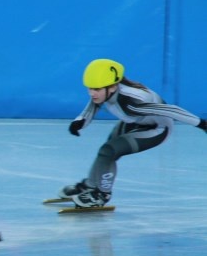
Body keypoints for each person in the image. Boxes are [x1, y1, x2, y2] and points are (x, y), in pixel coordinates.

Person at [60, 58, 207, 208]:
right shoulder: (106, 91)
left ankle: (102, 194)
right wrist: (80, 121)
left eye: (96, 89)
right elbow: (92, 106)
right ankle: (91, 185)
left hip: (157, 129)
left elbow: (170, 110)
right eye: (89, 88)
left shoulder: (130, 103)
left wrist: (202, 124)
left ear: (112, 87)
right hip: (134, 122)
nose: (91, 93)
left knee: (109, 150)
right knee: (106, 152)